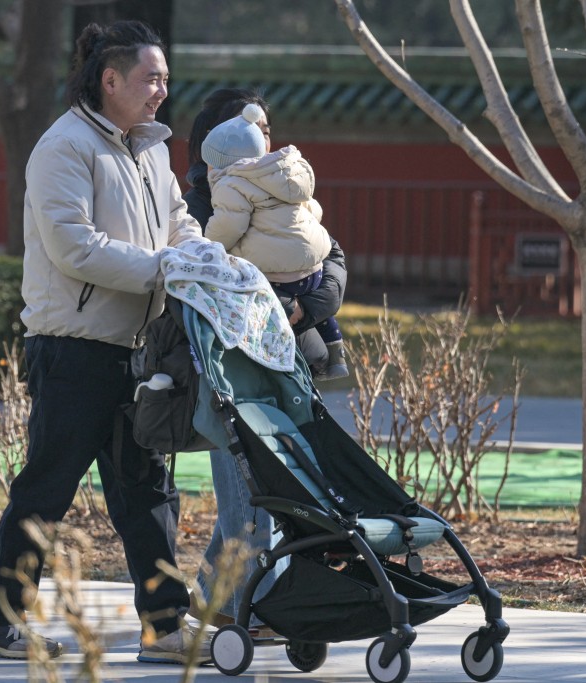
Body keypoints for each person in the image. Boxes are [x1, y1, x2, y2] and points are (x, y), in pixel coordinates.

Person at [0, 20, 209, 665]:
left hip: (140, 351)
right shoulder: (62, 146)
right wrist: (166, 270)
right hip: (74, 352)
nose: (162, 90)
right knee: (45, 491)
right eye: (150, 78)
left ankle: (165, 626)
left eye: (164, 78)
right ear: (110, 79)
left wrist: (203, 262)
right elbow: (75, 248)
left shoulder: (149, 147)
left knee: (148, 492)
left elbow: (179, 222)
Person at [181, 88, 348, 630]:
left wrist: (305, 308)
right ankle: (243, 611)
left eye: (266, 127)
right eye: (251, 128)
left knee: (266, 493)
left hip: (292, 362)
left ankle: (216, 606)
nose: (265, 139)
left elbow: (331, 256)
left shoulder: (282, 190)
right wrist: (282, 310)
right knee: (249, 496)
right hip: (240, 369)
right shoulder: (203, 199)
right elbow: (213, 268)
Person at [201, 102, 348, 380]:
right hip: (312, 272)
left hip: (277, 280)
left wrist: (210, 245)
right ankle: (336, 349)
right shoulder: (287, 178)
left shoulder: (230, 184)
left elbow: (227, 228)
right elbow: (314, 212)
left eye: (265, 131)